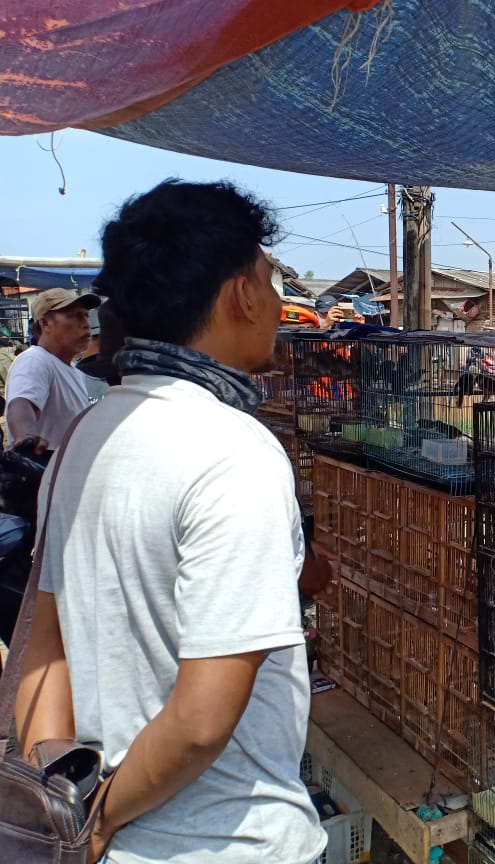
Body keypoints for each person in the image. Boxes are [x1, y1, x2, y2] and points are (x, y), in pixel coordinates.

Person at [14, 180, 327, 862]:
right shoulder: (234, 450)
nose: (278, 303)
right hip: (228, 843)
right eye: (270, 281)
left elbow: (45, 643)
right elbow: (200, 719)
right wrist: (101, 819)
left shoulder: (87, 437)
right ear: (240, 294)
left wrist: (66, 803)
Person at [4, 288, 100, 450]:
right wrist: (26, 437)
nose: (86, 324)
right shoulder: (34, 360)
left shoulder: (74, 370)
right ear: (45, 323)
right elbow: (21, 403)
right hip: (45, 472)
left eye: (85, 316)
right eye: (76, 316)